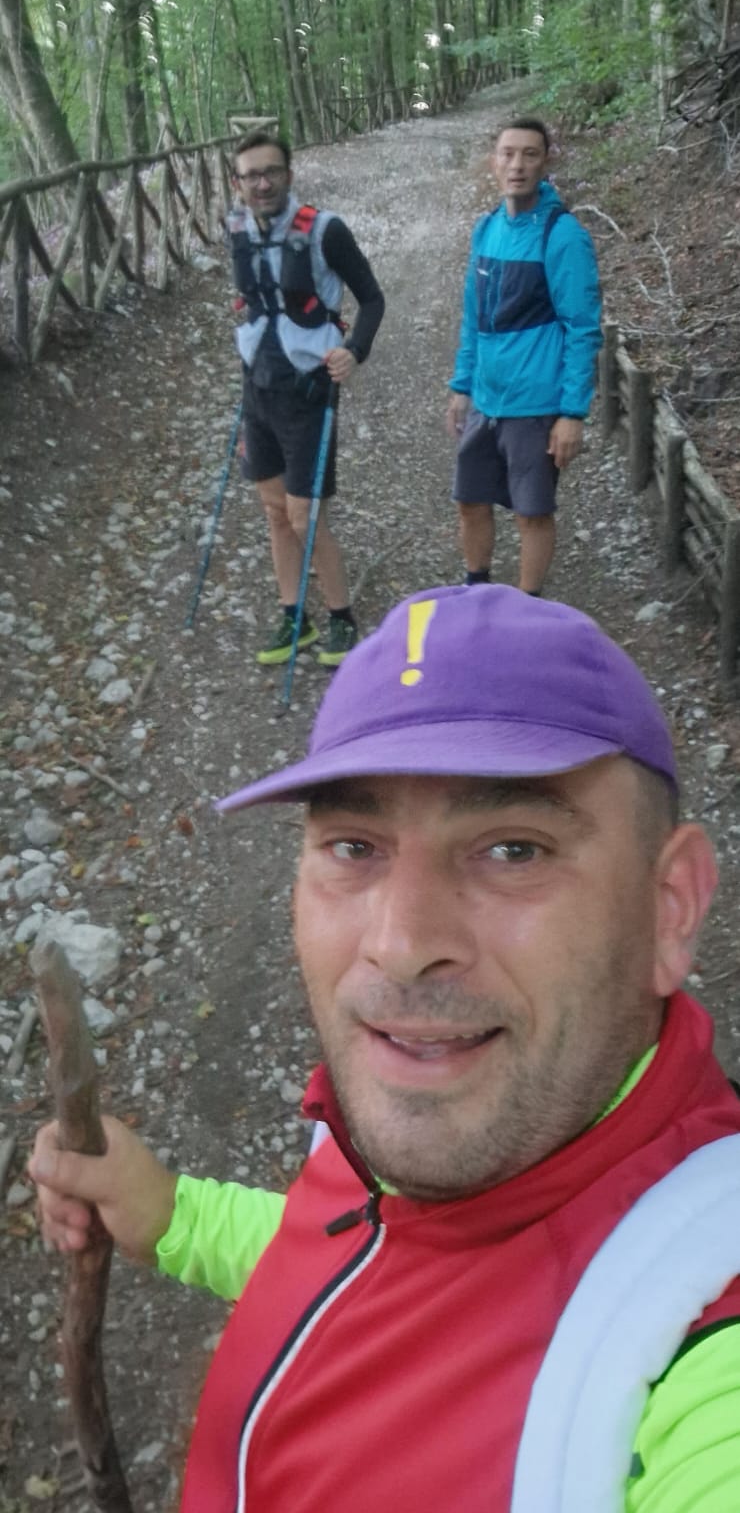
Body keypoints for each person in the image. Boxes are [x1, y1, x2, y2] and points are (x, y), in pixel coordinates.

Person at [31, 585, 740, 1512]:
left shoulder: (705, 1356)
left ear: (669, 906)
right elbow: (375, 1257)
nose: (401, 944)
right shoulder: (411, 1125)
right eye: (355, 846)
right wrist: (174, 1217)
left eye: (514, 849)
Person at [228, 131, 385, 666]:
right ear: (237, 183)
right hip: (258, 387)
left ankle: (341, 616)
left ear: (289, 175)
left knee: (304, 516)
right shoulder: (237, 229)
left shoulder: (325, 230)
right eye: (251, 175)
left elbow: (372, 298)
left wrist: (354, 351)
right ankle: (295, 617)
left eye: (271, 172)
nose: (262, 183)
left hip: (308, 390)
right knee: (275, 513)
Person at [446, 117, 603, 596]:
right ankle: (477, 590)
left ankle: (527, 605)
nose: (517, 165)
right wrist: (462, 384)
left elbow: (582, 329)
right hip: (486, 399)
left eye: (529, 154)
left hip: (535, 404)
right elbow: (474, 316)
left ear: (545, 162)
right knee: (470, 501)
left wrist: (572, 413)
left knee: (532, 512)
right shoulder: (487, 228)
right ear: (493, 162)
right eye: (508, 153)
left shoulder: (563, 235)